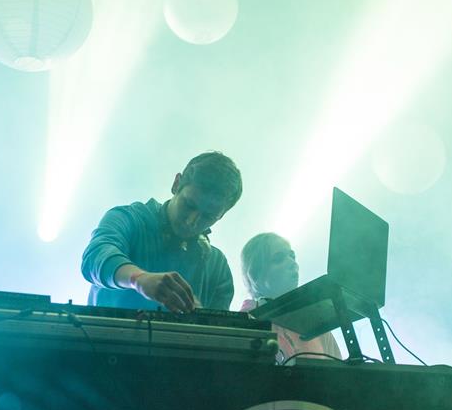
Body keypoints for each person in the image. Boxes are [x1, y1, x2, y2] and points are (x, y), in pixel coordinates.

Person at [81, 152, 241, 312]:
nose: (192, 221)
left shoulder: (218, 268)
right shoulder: (126, 219)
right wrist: (139, 279)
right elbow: (94, 258)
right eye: (189, 205)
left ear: (222, 215)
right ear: (176, 184)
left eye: (208, 216)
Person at [240, 232, 343, 363]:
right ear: (255, 275)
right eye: (278, 259)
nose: (293, 263)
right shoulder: (243, 324)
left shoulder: (317, 324)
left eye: (292, 256)